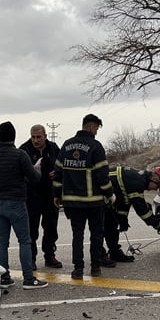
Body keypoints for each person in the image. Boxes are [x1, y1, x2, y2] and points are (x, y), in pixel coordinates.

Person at [0, 122, 48, 288]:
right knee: (24, 241)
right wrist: (36, 168)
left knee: (3, 242)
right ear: (13, 136)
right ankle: (29, 279)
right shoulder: (20, 155)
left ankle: (4, 278)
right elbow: (34, 178)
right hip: (16, 202)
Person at [54, 114, 113, 280]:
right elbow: (103, 176)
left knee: (77, 235)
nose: (96, 132)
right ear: (91, 126)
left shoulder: (66, 146)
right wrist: (110, 194)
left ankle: (78, 269)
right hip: (94, 202)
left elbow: (58, 174)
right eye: (96, 129)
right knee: (96, 234)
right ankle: (95, 268)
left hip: (72, 202)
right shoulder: (96, 146)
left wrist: (56, 195)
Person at [101, 166, 160, 263]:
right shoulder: (138, 182)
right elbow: (141, 210)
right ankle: (100, 255)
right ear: (154, 179)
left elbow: (125, 201)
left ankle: (114, 253)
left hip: (107, 195)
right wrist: (157, 224)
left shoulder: (140, 178)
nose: (155, 189)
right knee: (100, 227)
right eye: (158, 186)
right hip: (99, 194)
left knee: (111, 224)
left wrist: (122, 220)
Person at [19, 124, 63, 269]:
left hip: (50, 194)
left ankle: (49, 255)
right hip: (32, 196)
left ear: (45, 136)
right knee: (31, 229)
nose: (36, 140)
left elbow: (63, 165)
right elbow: (18, 173)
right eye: (33, 137)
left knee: (51, 227)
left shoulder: (53, 147)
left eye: (39, 137)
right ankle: (31, 258)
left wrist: (57, 172)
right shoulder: (24, 150)